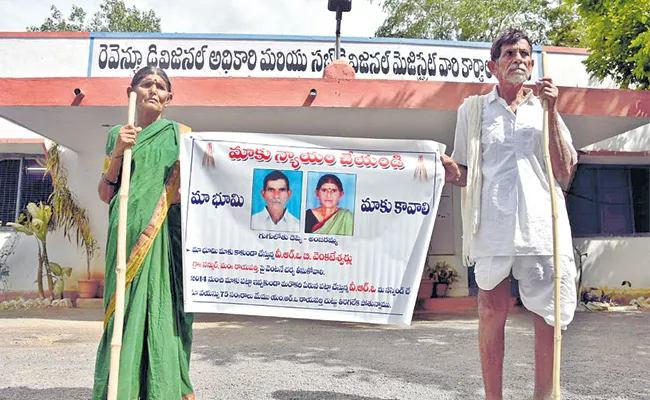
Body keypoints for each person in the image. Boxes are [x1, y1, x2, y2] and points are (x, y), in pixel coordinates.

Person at [441, 28, 577, 400]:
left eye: (524, 54)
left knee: (548, 316)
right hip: (493, 226)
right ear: (493, 66)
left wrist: (552, 111)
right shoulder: (473, 111)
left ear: (532, 64)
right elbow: (465, 172)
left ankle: (544, 396)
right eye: (509, 54)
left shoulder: (544, 108)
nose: (518, 59)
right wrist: (447, 170)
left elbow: (564, 169)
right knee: (490, 311)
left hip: (542, 226)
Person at [93, 66, 195, 400]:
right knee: (123, 315)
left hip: (164, 238)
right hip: (124, 239)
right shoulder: (116, 136)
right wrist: (118, 153)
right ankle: (121, 389)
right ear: (131, 92)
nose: (153, 90)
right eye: (146, 84)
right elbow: (106, 193)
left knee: (161, 312)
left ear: (169, 98)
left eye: (160, 86)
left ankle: (162, 390)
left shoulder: (181, 135)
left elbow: (190, 192)